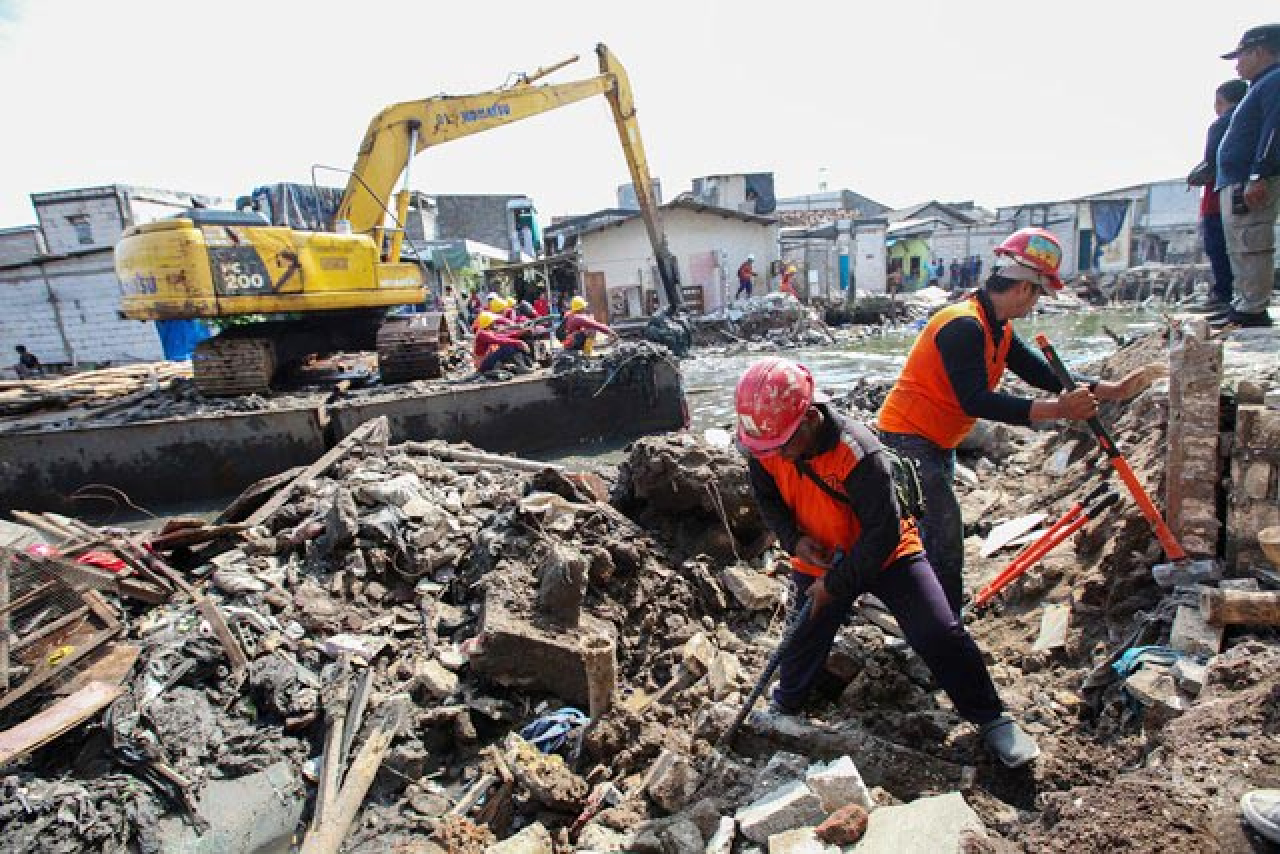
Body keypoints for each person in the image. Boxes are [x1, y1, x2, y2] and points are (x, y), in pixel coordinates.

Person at [736, 357, 1041, 768]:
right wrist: (796, 541)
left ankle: (991, 718)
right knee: (801, 640)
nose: (777, 456)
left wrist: (837, 585)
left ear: (809, 418)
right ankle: (785, 710)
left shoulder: (858, 452)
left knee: (939, 631)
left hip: (887, 553)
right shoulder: (769, 443)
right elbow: (769, 501)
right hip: (821, 554)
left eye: (783, 446)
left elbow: (883, 534)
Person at [877, 228, 1159, 615]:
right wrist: (1060, 410)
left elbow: (1043, 374)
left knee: (932, 532)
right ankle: (943, 626)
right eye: (1040, 293)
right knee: (943, 537)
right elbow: (976, 400)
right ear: (1026, 288)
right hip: (908, 439)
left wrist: (1111, 388)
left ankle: (932, 612)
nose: (1036, 303)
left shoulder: (998, 327)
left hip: (937, 439)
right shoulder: (964, 325)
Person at [1212, 23, 1280, 329]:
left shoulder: (1275, 81)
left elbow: (1273, 131)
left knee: (1251, 241)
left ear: (1260, 51)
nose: (1237, 64)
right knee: (1240, 243)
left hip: (1248, 179)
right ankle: (1244, 303)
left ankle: (1251, 308)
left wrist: (1259, 173)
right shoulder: (1261, 85)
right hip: (1236, 178)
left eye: (1241, 56)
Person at [1189, 79, 1251, 313]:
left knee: (1219, 247)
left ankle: (1225, 295)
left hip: (1220, 198)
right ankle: (1240, 297)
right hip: (1239, 194)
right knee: (1240, 247)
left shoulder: (1223, 124)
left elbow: (1210, 163)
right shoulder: (1251, 122)